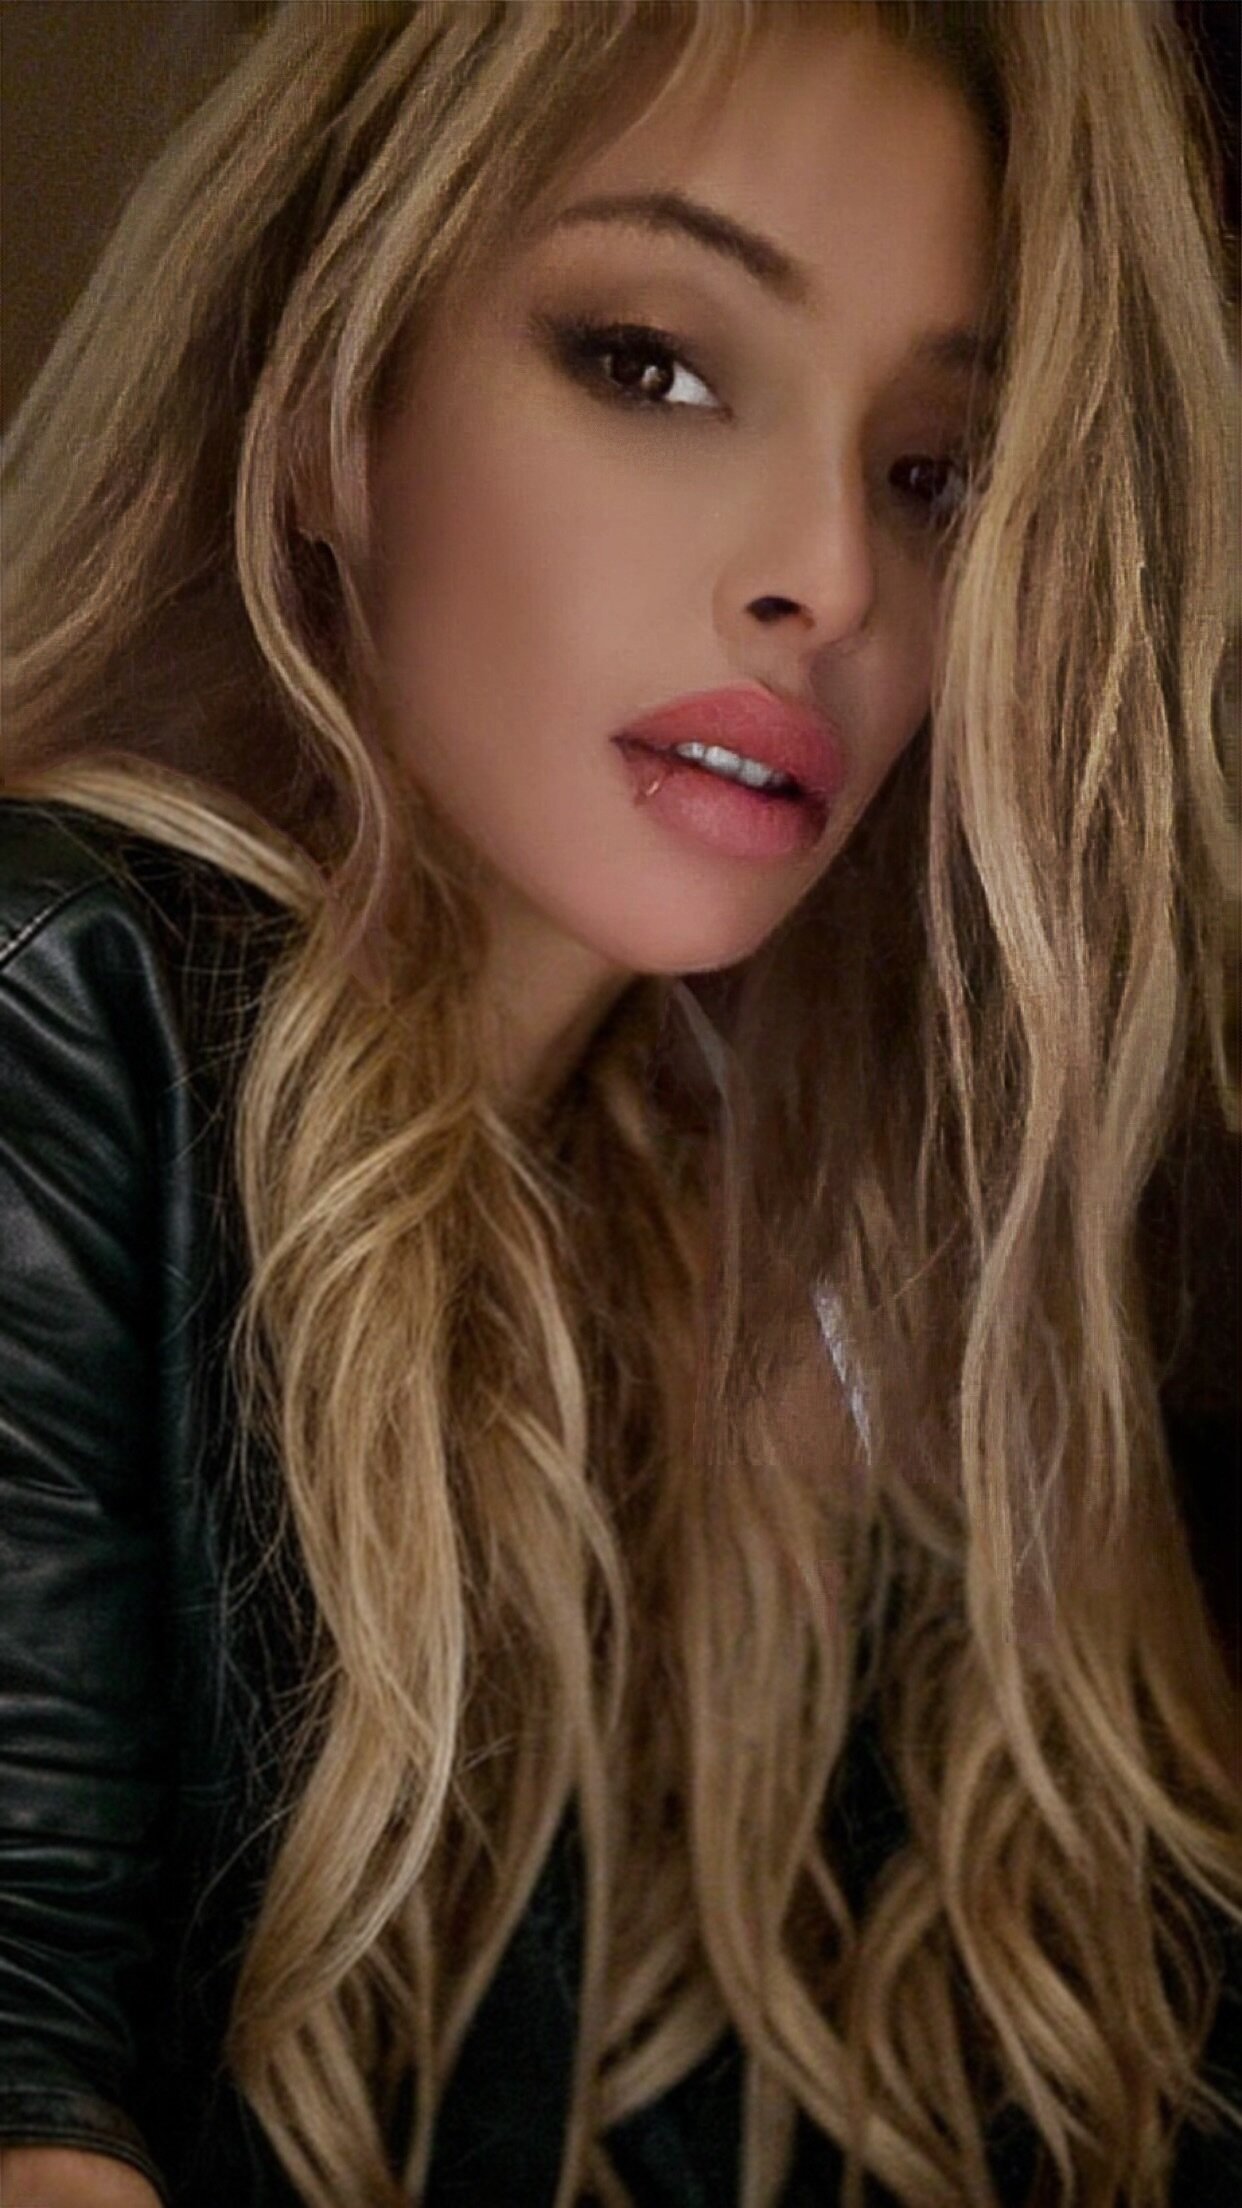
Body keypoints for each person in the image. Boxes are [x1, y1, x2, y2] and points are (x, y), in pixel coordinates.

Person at [1, 1, 1238, 2203]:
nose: (829, 576)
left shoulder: (831, 1263)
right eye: (651, 365)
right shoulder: (57, 1008)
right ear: (328, 402)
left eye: (932, 473)